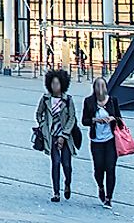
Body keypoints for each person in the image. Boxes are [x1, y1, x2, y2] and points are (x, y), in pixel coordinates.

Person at [37, 68, 77, 203]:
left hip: (65, 136)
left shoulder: (68, 100)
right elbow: (39, 113)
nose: (55, 86)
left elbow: (72, 117)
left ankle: (67, 183)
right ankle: (56, 192)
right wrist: (43, 126)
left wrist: (64, 134)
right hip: (51, 135)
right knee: (55, 163)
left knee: (66, 164)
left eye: (58, 83)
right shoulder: (45, 99)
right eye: (53, 83)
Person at [83, 77, 123, 209]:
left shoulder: (113, 101)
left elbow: (120, 120)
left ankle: (109, 198)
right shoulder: (89, 102)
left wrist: (113, 118)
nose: (100, 89)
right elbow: (84, 121)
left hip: (111, 140)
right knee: (99, 168)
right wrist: (95, 120)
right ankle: (100, 187)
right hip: (96, 140)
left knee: (110, 168)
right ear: (94, 88)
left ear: (106, 87)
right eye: (98, 86)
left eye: (103, 86)